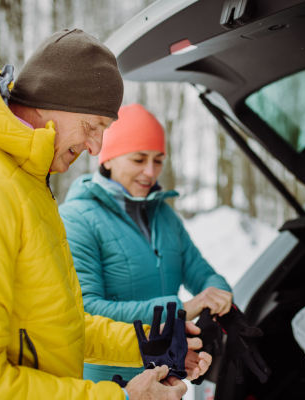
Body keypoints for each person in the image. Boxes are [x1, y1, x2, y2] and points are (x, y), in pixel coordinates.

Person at [0, 29, 210, 400]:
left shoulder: (23, 183)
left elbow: (55, 327)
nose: (95, 148)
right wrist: (123, 398)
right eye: (92, 127)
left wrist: (152, 345)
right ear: (51, 100)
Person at [59, 103, 232, 383]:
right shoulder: (77, 219)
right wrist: (180, 310)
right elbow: (87, 309)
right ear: (108, 159)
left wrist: (217, 310)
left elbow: (204, 275)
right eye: (139, 160)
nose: (151, 172)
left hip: (166, 376)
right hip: (109, 383)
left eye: (158, 160)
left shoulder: (165, 216)